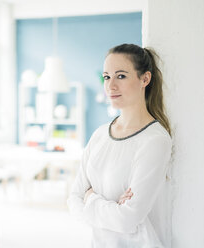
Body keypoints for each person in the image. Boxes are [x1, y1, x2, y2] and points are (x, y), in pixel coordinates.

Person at [67, 43, 173, 248]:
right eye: (107, 77)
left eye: (121, 76)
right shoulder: (100, 135)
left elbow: (127, 220)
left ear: (145, 79)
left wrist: (91, 198)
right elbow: (73, 200)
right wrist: (112, 207)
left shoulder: (155, 140)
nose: (111, 86)